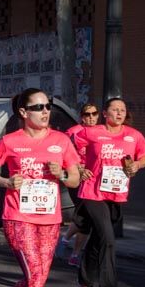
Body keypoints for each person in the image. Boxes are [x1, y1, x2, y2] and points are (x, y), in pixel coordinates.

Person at [0, 88, 81, 287]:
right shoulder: (10, 141)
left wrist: (60, 174)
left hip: (49, 220)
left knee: (37, 279)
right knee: (36, 277)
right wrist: (5, 182)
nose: (45, 111)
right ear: (23, 113)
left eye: (47, 105)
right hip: (18, 216)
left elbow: (74, 179)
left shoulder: (61, 141)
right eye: (38, 107)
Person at [73, 97, 145, 287]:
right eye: (115, 110)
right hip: (92, 192)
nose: (119, 113)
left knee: (99, 239)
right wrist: (79, 167)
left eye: (123, 110)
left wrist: (137, 166)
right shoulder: (91, 132)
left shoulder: (133, 136)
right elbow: (69, 148)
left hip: (116, 193)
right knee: (108, 237)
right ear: (105, 113)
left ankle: (85, 283)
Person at [61, 103, 100, 266]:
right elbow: (64, 154)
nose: (90, 117)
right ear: (81, 116)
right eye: (86, 114)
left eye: (94, 113)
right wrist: (79, 168)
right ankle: (75, 253)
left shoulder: (102, 132)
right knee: (87, 217)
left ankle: (65, 241)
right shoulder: (73, 132)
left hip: (95, 180)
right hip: (78, 179)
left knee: (87, 218)